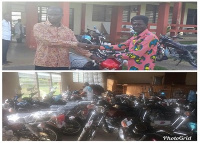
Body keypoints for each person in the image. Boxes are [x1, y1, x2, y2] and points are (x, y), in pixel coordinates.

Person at [33, 6, 100, 70]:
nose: (52, 17)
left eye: (56, 14)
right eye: (50, 14)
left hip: (62, 64)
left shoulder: (67, 31)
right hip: (44, 63)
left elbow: (77, 47)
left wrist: (92, 56)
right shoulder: (39, 27)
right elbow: (49, 41)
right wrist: (76, 44)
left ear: (62, 15)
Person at [88, 15, 159, 70]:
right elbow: (121, 46)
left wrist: (115, 55)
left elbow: (136, 54)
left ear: (147, 25)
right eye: (134, 24)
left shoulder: (150, 37)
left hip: (143, 69)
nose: (136, 26)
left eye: (139, 24)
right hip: (132, 67)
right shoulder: (136, 36)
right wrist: (97, 47)